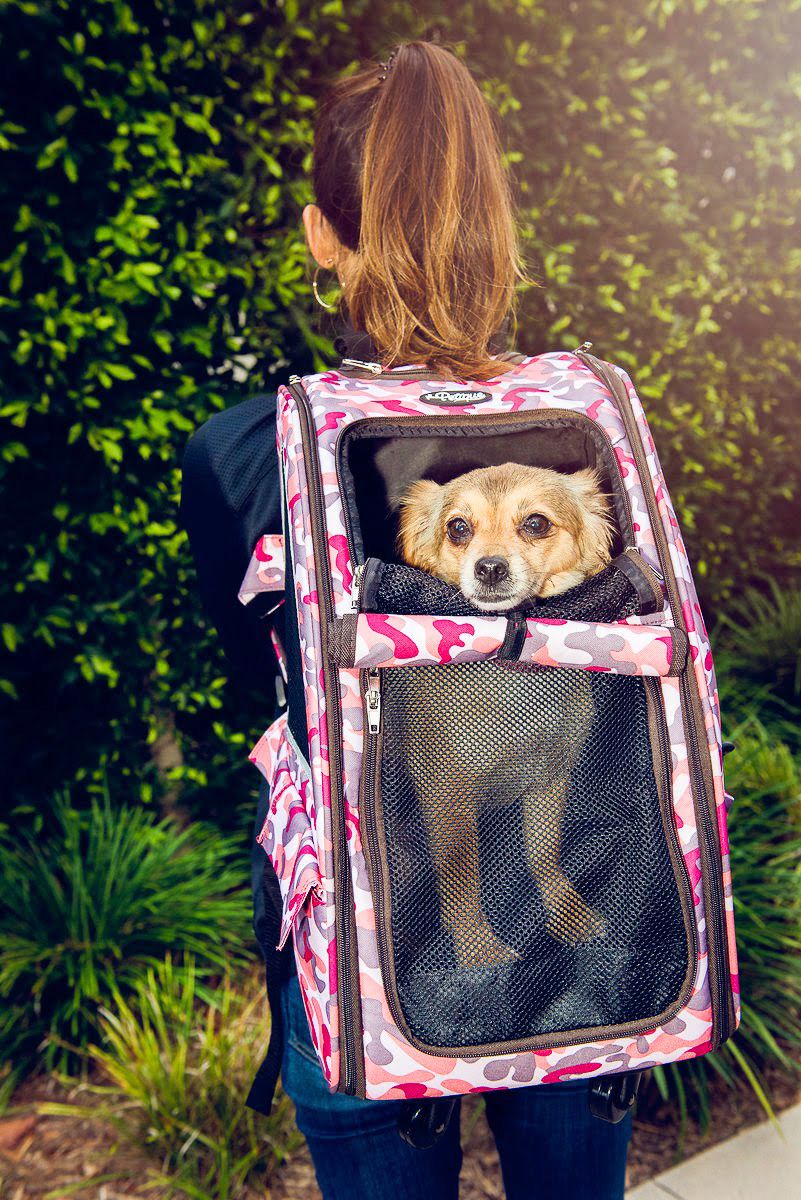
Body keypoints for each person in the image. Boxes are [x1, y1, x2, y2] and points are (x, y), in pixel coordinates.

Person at [181, 40, 631, 1200]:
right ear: (499, 226)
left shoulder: (243, 454)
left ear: (320, 234)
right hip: (583, 943)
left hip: (360, 960)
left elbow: (260, 693)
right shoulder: (593, 434)